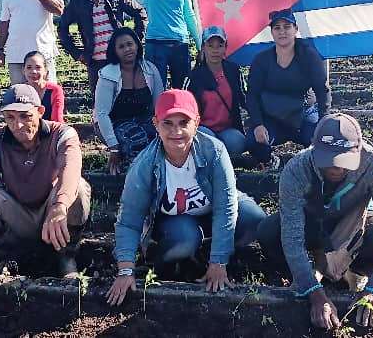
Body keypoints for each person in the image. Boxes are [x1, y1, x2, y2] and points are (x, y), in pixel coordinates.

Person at [106, 89, 267, 305]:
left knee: (254, 218)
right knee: (183, 240)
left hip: (211, 211)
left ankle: (214, 256)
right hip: (176, 221)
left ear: (197, 122)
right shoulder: (144, 165)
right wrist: (125, 270)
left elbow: (226, 206)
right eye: (168, 123)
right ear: (156, 124)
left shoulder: (214, 152)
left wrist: (219, 261)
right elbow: (129, 219)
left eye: (184, 122)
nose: (177, 131)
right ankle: (171, 260)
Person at [254, 113, 373, 330]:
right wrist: (313, 291)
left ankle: (355, 271)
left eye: (344, 160)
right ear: (314, 150)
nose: (336, 168)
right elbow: (292, 234)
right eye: (328, 161)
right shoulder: (297, 169)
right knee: (269, 231)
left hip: (354, 221)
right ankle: (312, 271)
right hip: (313, 221)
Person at [0, 84, 92, 277]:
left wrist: (60, 204)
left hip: (52, 211)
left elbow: (70, 168)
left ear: (40, 112)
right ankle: (3, 256)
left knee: (79, 187)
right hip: (17, 214)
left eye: (25, 116)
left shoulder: (62, 134)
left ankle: (65, 255)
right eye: (11, 118)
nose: (18, 125)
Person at [246, 9, 330, 169]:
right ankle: (270, 161)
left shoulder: (309, 56)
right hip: (272, 116)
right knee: (252, 140)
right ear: (271, 32)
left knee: (322, 140)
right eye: (277, 28)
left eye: (287, 27)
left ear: (295, 29)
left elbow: (322, 90)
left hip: (303, 115)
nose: (282, 31)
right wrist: (257, 124)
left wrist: (323, 120)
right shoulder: (262, 60)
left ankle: (309, 165)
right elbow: (252, 95)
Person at [58, 0, 148, 93]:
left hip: (119, 60)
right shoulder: (78, 1)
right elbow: (62, 28)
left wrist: (134, 42)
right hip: (95, 63)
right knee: (99, 104)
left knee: (125, 99)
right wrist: (77, 54)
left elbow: (140, 13)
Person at [94, 27, 164, 175]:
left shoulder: (151, 70)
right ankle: (133, 175)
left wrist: (162, 130)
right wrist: (113, 146)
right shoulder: (108, 75)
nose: (127, 49)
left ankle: (158, 174)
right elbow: (102, 114)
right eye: (121, 47)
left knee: (158, 141)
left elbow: (159, 105)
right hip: (112, 122)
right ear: (115, 51)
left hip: (142, 118)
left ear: (137, 45)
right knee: (137, 140)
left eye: (129, 44)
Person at [187, 26, 249, 157]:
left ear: (225, 48)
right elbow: (186, 108)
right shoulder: (194, 76)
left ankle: (221, 153)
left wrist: (258, 123)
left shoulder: (233, 70)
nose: (215, 50)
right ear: (203, 48)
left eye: (219, 45)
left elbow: (245, 99)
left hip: (227, 129)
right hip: (203, 130)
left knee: (239, 144)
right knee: (208, 145)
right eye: (210, 46)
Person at [23, 50, 65, 123]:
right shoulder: (19, 91)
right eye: (29, 67)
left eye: (38, 67)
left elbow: (57, 120)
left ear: (45, 71)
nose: (34, 71)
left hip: (51, 130)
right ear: (23, 70)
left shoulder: (55, 90)